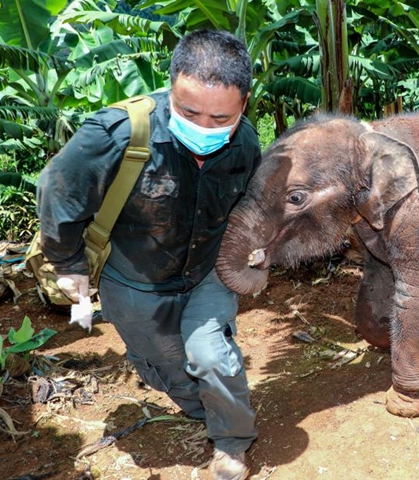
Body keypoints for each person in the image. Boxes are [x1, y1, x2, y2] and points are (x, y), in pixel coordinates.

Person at [36, 30, 261, 479]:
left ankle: (231, 439)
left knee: (211, 356)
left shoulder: (246, 143)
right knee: (167, 363)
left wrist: (255, 249)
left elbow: (249, 204)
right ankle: (199, 407)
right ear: (171, 84)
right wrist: (68, 267)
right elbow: (58, 193)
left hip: (205, 273)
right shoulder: (117, 133)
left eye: (221, 118)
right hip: (135, 280)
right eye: (189, 111)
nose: (204, 127)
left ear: (244, 104)